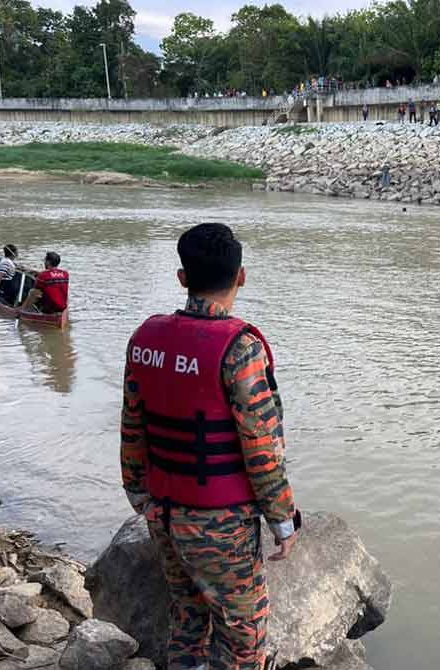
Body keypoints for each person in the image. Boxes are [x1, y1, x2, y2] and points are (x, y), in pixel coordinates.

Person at [120, 223, 300, 670]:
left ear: (183, 278)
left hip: (162, 510)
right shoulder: (240, 348)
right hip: (219, 522)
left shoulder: (145, 338)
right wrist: (282, 520)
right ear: (241, 276)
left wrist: (139, 494)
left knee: (187, 617)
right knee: (242, 638)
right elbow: (262, 446)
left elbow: (131, 429)